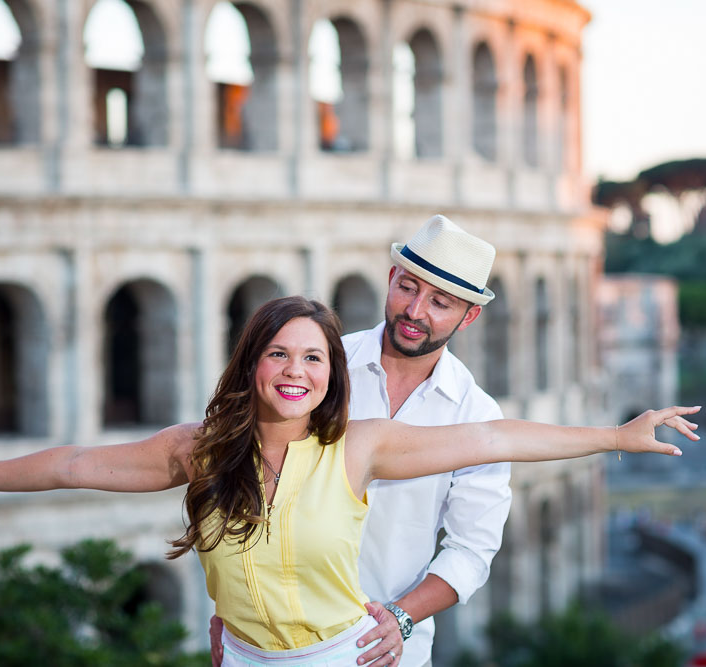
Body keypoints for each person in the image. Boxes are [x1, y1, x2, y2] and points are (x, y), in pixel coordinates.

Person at [0, 295, 701, 667]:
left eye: (314, 357)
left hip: (345, 658)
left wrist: (616, 435)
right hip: (245, 659)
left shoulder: (361, 448)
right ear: (252, 361)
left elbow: (494, 435)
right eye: (280, 353)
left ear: (333, 373)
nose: (296, 370)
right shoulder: (198, 450)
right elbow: (74, 463)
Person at [211, 214, 511, 667]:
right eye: (408, 288)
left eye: (440, 302)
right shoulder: (318, 367)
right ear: (390, 279)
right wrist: (227, 609)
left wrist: (401, 617)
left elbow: (471, 550)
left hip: (387, 652)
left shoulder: (477, 414)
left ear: (469, 317)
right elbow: (244, 470)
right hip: (270, 647)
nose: (415, 311)